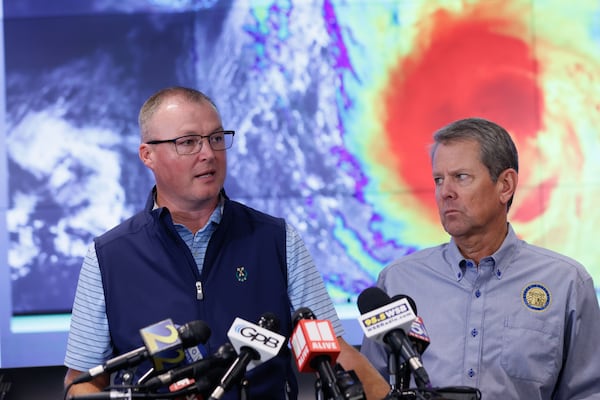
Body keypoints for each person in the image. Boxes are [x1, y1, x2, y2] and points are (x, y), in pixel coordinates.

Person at [63, 86, 390, 399]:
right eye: (189, 142)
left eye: (216, 138)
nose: (208, 154)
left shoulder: (275, 239)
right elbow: (82, 383)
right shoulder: (109, 256)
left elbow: (334, 352)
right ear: (148, 155)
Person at [360, 117, 600, 400]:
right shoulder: (398, 280)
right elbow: (373, 387)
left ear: (505, 185)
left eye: (461, 177)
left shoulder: (566, 282)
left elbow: (587, 393)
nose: (445, 192)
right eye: (439, 180)